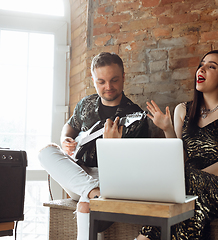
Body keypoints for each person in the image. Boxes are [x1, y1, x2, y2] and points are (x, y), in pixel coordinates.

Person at [136, 50, 218, 240]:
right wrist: (167, 129)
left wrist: (188, 181)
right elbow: (180, 158)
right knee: (193, 209)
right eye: (202, 64)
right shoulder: (183, 110)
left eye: (211, 66)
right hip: (189, 187)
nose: (202, 69)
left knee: (185, 192)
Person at [39, 52, 148, 240]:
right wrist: (65, 140)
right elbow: (69, 127)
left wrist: (112, 147)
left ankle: (93, 194)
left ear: (123, 77)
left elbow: (136, 168)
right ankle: (94, 192)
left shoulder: (135, 116)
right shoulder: (86, 104)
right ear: (93, 79)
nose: (108, 87)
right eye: (101, 81)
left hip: (110, 179)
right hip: (80, 175)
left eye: (114, 80)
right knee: (45, 152)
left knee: (85, 205)